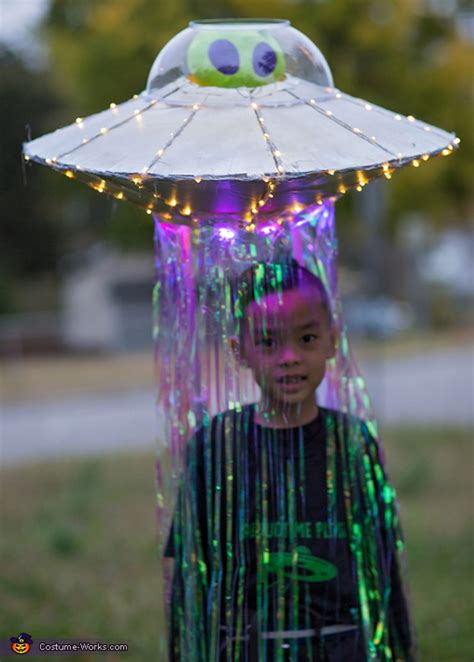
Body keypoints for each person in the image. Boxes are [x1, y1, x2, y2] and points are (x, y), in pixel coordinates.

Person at [164, 261, 417, 662]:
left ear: (333, 341)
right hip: (246, 649)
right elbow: (190, 576)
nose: (289, 358)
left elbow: (382, 563)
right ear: (239, 351)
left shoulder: (352, 442)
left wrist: (400, 649)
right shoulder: (215, 446)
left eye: (307, 338)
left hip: (342, 648)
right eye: (268, 342)